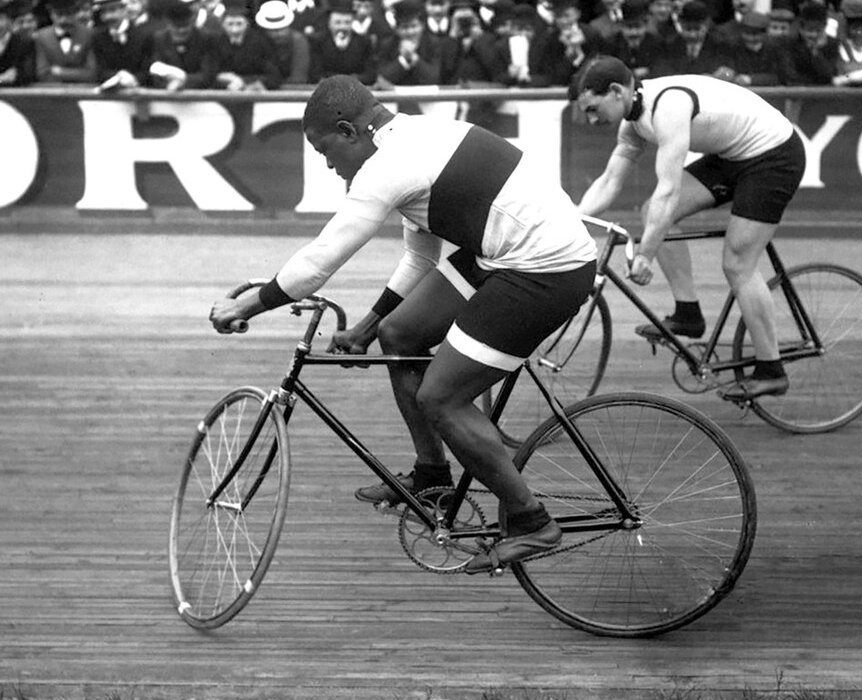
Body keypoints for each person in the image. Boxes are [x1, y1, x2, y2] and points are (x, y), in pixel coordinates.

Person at [209, 74, 597, 573]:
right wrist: (371, 324)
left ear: (349, 131)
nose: (329, 166)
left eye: (326, 151)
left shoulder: (388, 166)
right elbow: (419, 259)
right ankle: (432, 477)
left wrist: (249, 306)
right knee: (400, 334)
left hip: (546, 270)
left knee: (441, 397)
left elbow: (322, 258)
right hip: (506, 255)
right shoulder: (414, 135)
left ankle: (531, 522)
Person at [571, 54, 805, 400]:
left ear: (617, 92)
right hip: (733, 155)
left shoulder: (668, 107)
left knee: (738, 263)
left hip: (773, 156)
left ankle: (772, 370)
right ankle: (688, 314)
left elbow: (670, 190)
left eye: (593, 108)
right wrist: (572, 220)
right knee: (654, 212)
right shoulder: (632, 123)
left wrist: (646, 255)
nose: (591, 119)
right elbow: (608, 182)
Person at [211, 0, 283, 90]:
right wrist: (228, 79)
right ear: (223, 25)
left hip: (256, 91)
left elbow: (274, 75)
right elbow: (209, 74)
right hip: (223, 92)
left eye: (239, 24)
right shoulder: (215, 42)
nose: (234, 30)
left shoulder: (261, 42)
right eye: (230, 24)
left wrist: (248, 83)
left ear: (247, 24)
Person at [148, 0, 217, 89]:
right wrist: (167, 85)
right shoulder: (159, 39)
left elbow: (208, 74)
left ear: (192, 22)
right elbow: (154, 71)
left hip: (198, 94)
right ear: (169, 24)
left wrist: (182, 82)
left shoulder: (206, 39)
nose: (181, 30)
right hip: (166, 94)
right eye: (177, 26)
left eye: (185, 25)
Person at [309, 0, 378, 84]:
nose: (342, 27)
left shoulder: (364, 42)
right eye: (338, 22)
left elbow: (370, 75)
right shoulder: (318, 42)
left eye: (347, 22)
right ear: (329, 23)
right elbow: (315, 74)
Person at [92, 0, 154, 91]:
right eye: (104, 12)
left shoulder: (144, 36)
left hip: (138, 94)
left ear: (124, 10)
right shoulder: (97, 38)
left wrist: (133, 80)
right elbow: (99, 70)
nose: (108, 16)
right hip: (110, 96)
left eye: (112, 10)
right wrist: (118, 76)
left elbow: (148, 68)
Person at [33, 0, 98, 83]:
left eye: (68, 14)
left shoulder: (90, 34)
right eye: (59, 14)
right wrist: (77, 73)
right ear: (51, 14)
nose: (64, 19)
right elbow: (42, 73)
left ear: (76, 13)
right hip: (51, 91)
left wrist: (60, 72)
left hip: (83, 91)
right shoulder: (41, 36)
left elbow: (92, 73)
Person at [780, 0, 839, 84]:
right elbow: (789, 76)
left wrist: (815, 52)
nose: (814, 35)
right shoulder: (790, 43)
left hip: (825, 93)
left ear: (824, 27)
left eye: (818, 30)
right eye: (810, 30)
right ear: (801, 28)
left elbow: (830, 75)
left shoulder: (832, 44)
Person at [256, 0, 312, 84]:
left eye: (281, 29)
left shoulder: (299, 41)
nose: (278, 34)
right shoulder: (259, 42)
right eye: (273, 30)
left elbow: (299, 78)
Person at [0, 0, 36, 85]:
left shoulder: (24, 42)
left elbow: (28, 73)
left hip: (15, 94)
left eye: (1, 19)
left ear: (10, 21)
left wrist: (15, 76)